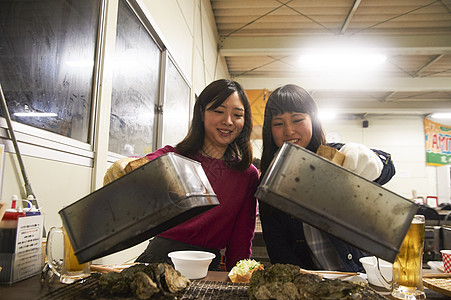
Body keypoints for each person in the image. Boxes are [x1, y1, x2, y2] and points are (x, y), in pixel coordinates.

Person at [104, 79, 259, 272]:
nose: (228, 121)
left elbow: (241, 237)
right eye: (219, 111)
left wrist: (239, 274)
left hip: (207, 266)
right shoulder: (176, 157)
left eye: (237, 115)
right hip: (160, 259)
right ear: (202, 113)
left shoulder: (247, 175)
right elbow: (146, 162)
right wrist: (126, 164)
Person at [259, 84, 395, 272]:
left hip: (356, 275)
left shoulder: (335, 157)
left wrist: (373, 161)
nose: (289, 131)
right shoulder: (270, 180)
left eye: (297, 120)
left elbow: (387, 166)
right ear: (269, 130)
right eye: (278, 123)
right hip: (310, 283)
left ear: (313, 121)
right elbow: (278, 247)